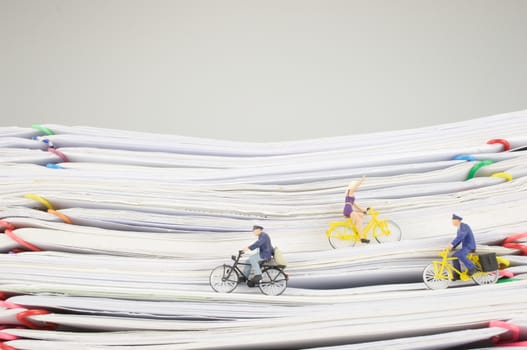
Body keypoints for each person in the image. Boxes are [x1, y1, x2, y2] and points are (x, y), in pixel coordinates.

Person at [446, 214, 477, 278]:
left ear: (458, 220)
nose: (452, 222)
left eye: (454, 221)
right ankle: (457, 273)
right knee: (454, 256)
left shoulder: (464, 226)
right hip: (466, 246)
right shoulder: (459, 228)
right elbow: (459, 239)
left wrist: (452, 244)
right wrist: (453, 247)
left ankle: (472, 268)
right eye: (452, 221)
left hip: (469, 246)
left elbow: (461, 236)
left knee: (460, 254)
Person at [343, 176, 369, 243]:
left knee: (361, 215)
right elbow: (354, 187)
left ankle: (357, 231)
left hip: (348, 209)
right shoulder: (350, 191)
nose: (357, 187)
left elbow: (356, 206)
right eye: (356, 186)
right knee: (359, 221)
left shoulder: (351, 195)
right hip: (348, 209)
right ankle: (362, 238)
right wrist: (361, 181)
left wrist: (363, 211)